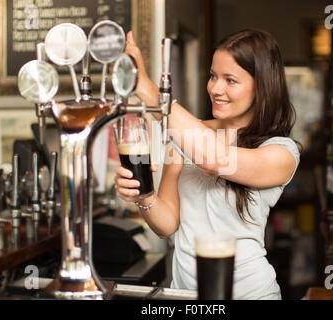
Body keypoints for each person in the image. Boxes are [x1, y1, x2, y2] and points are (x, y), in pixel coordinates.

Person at [115, 29, 300, 300]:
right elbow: (167, 224)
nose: (215, 88)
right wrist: (143, 195)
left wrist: (147, 90)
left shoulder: (281, 152)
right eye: (213, 76)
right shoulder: (186, 136)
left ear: (262, 85)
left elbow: (215, 159)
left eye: (230, 80)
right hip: (185, 296)